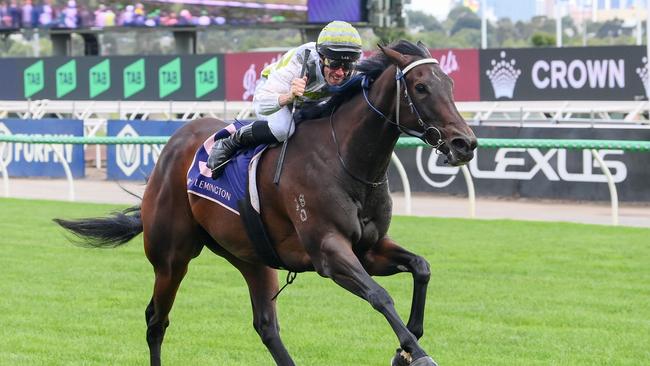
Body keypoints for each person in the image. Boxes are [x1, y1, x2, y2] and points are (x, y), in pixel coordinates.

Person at [207, 20, 362, 178]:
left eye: (347, 66)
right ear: (322, 57)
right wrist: (289, 96)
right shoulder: (298, 64)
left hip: (309, 101)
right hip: (274, 93)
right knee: (282, 129)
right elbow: (261, 103)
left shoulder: (354, 70)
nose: (341, 73)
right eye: (335, 64)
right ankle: (231, 142)